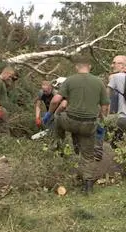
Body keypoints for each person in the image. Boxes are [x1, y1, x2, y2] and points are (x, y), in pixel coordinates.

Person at [53, 56, 109, 194]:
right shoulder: (99, 82)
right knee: (88, 156)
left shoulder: (70, 80)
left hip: (70, 121)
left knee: (57, 117)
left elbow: (56, 100)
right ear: (89, 66)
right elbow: (105, 106)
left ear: (76, 67)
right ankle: (88, 187)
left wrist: (50, 113)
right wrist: (102, 120)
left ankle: (58, 145)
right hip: (88, 124)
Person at [0, 66, 16, 136]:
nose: (9, 78)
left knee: (3, 128)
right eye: (9, 76)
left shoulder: (2, 82)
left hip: (2, 108)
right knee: (3, 130)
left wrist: (13, 81)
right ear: (6, 73)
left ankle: (2, 145)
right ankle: (4, 145)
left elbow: (10, 89)